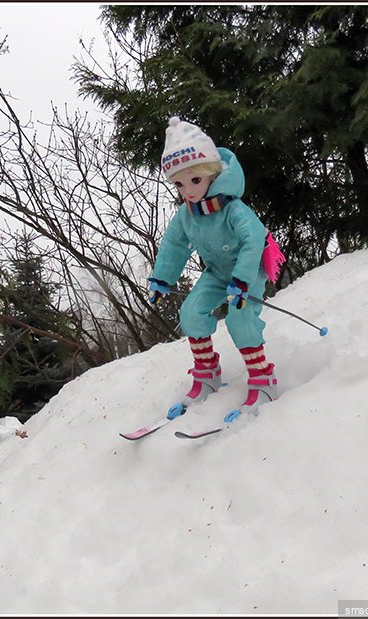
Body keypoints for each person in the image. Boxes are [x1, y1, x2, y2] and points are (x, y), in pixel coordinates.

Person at [148, 116, 286, 420]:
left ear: (210, 173)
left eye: (195, 180)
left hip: (247, 273)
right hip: (216, 273)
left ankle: (263, 378)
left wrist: (242, 280)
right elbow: (174, 244)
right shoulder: (187, 215)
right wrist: (161, 278)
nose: (188, 190)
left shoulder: (234, 209)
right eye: (180, 184)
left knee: (240, 319)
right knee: (190, 313)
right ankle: (207, 372)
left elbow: (253, 241)